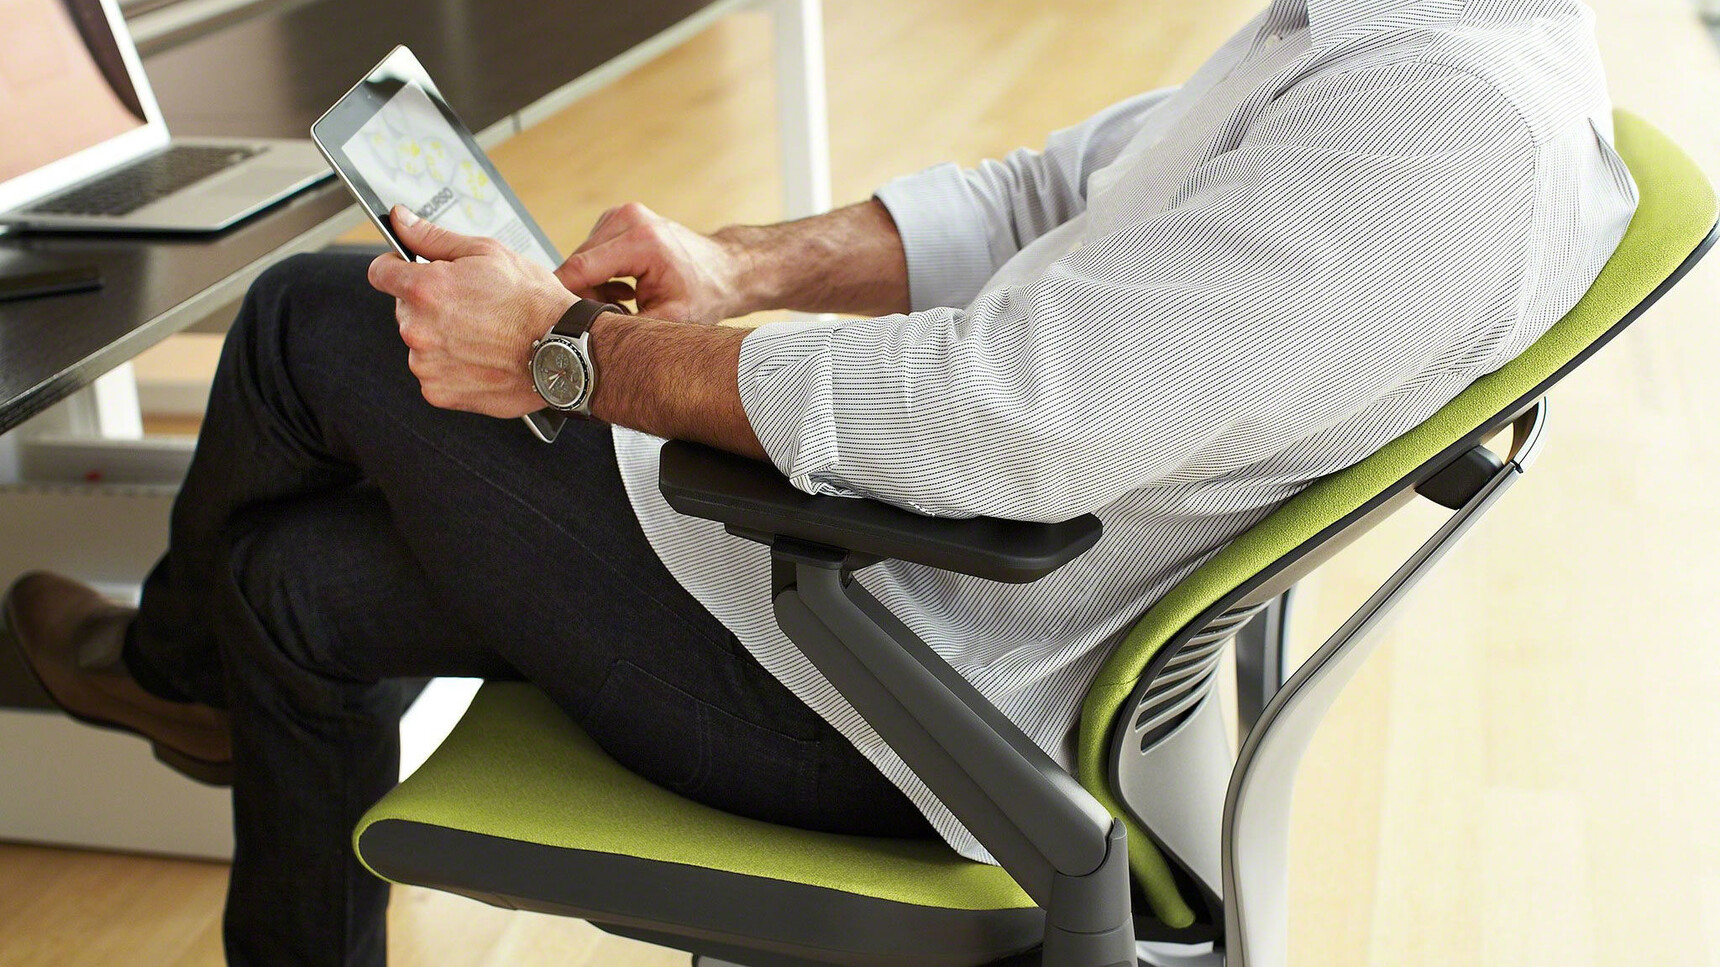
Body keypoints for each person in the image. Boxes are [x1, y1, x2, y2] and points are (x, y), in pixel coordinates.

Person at [2, 0, 1638, 963]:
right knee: (289, 591)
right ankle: (206, 674)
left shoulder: (1435, 129)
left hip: (872, 684)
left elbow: (1005, 420)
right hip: (879, 599)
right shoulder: (1378, 40)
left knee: (312, 320)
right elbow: (1054, 190)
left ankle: (172, 676)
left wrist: (572, 357)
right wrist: (744, 264)